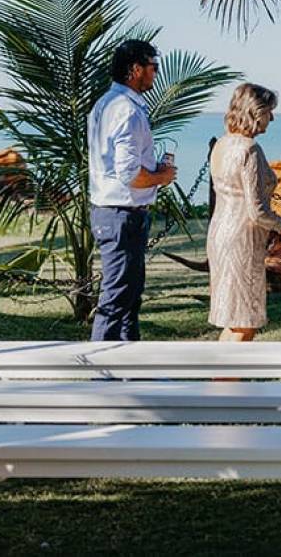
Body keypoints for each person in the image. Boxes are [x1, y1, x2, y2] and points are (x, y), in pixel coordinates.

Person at [87, 40, 176, 341]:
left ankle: (127, 371)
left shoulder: (105, 104)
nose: (156, 73)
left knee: (127, 298)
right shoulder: (127, 111)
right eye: (154, 67)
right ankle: (103, 375)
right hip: (121, 215)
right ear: (135, 69)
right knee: (117, 299)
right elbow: (129, 174)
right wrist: (161, 177)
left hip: (113, 213)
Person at [206, 83, 281, 342]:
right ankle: (226, 381)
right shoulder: (250, 150)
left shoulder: (221, 144)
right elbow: (257, 210)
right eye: (268, 112)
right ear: (255, 112)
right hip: (241, 238)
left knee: (235, 319)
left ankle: (222, 379)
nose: (272, 118)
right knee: (245, 320)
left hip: (220, 231)